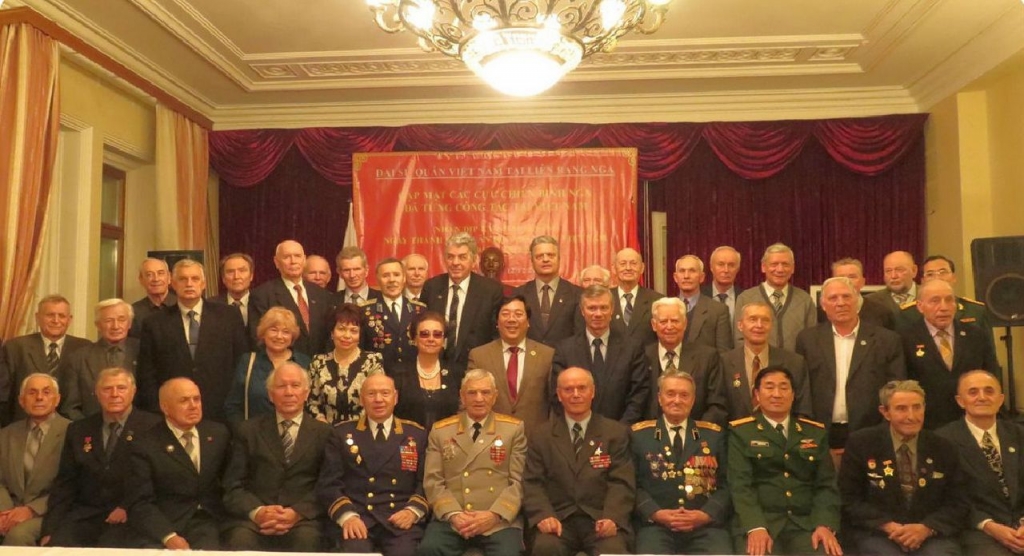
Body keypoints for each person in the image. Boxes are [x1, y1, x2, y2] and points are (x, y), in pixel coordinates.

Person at [839, 380, 968, 555]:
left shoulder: (943, 447)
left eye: (917, 407)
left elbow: (958, 501)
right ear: (885, 412)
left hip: (931, 534)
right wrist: (888, 526)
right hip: (877, 533)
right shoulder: (861, 443)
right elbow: (849, 499)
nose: (911, 416)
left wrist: (926, 528)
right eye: (901, 409)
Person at [728, 366, 842, 556]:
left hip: (806, 525)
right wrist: (755, 526)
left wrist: (824, 524)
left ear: (793, 394)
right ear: (757, 394)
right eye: (769, 387)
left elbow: (826, 485)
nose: (777, 394)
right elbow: (741, 486)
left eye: (783, 387)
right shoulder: (741, 432)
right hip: (762, 524)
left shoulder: (814, 432)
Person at [42, 367, 161, 547]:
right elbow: (65, 484)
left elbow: (160, 480)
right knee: (57, 547)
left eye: (121, 388)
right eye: (107, 389)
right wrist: (49, 530)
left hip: (131, 516)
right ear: (96, 393)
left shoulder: (153, 427)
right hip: (86, 515)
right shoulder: (79, 429)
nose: (114, 394)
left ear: (133, 391)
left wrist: (128, 506)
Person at [523, 367, 635, 555]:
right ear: (559, 395)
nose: (576, 394)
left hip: (600, 519)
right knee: (546, 548)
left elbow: (621, 482)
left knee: (613, 550)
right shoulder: (542, 435)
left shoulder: (614, 433)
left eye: (582, 388)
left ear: (593, 392)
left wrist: (612, 518)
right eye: (568, 389)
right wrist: (544, 515)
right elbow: (532, 483)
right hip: (558, 520)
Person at [222, 362, 331, 551]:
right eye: (281, 386)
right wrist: (258, 512)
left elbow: (326, 486)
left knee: (307, 539)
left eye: (295, 385)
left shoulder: (324, 433)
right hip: (255, 520)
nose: (289, 392)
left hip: (303, 520)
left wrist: (297, 513)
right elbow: (233, 486)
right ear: (271, 395)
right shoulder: (248, 431)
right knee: (240, 539)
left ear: (306, 393)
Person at [418, 369, 527, 556]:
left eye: (485, 392)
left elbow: (519, 481)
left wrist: (494, 515)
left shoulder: (513, 429)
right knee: (429, 549)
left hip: (498, 521)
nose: (479, 398)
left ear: (495, 396)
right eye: (472, 393)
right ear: (462, 396)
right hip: (453, 520)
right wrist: (454, 514)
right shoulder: (441, 431)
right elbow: (433, 481)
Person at [317, 373, 428, 555]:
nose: (378, 399)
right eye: (371, 394)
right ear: (361, 399)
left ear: (395, 397)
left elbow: (425, 482)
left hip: (399, 518)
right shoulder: (341, 433)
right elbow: (329, 483)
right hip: (358, 517)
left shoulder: (416, 434)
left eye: (385, 393)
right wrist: (347, 516)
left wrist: (412, 511)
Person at [797, 277, 906, 458]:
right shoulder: (807, 340)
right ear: (823, 305)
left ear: (857, 301)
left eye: (846, 296)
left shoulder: (886, 340)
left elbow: (895, 388)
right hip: (819, 431)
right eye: (833, 298)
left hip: (870, 431)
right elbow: (801, 387)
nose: (841, 303)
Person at [631, 370, 732, 554]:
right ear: (659, 398)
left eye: (684, 395)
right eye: (670, 394)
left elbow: (726, 484)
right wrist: (655, 513)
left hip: (706, 528)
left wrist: (706, 515)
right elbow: (631, 484)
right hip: (655, 527)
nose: (677, 400)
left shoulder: (713, 436)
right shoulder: (639, 436)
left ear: (693, 400)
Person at [125, 377, 230, 550]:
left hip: (209, 521)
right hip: (165, 523)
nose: (193, 406)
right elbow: (140, 502)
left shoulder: (218, 434)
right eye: (184, 400)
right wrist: (168, 536)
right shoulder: (145, 444)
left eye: (196, 399)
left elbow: (230, 483)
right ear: (165, 407)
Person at [137, 259, 249, 420]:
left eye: (195, 279)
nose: (189, 284)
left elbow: (241, 363)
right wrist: (158, 409)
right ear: (173, 284)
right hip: (173, 412)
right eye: (183, 279)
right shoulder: (154, 323)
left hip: (221, 411)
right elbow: (146, 373)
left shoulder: (229, 316)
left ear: (203, 284)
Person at [937, 370, 1024, 555]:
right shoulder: (943, 441)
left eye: (989, 391)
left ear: (1000, 399)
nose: (982, 397)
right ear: (960, 401)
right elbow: (948, 498)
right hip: (978, 530)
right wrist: (989, 526)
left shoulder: (1019, 434)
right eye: (973, 392)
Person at [899, 279, 1000, 429]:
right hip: (928, 424)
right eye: (935, 301)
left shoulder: (976, 336)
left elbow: (992, 374)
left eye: (949, 300)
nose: (943, 307)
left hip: (972, 422)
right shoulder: (905, 339)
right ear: (920, 306)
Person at [552, 284, 650, 424]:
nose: (598, 314)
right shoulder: (565, 350)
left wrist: (620, 429)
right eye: (592, 308)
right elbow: (558, 395)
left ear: (612, 310)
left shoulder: (632, 347)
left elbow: (639, 393)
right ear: (582, 311)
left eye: (603, 308)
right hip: (578, 430)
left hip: (621, 430)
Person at [467, 295, 555, 434]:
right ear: (497, 322)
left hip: (535, 438)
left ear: (528, 322)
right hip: (490, 437)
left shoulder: (547, 355)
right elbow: (468, 400)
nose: (512, 319)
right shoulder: (479, 356)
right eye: (505, 314)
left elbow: (555, 403)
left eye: (518, 314)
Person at [0, 373, 70, 546]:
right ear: (21, 400)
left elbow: (72, 485)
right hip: (9, 509)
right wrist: (6, 513)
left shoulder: (73, 432)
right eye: (32, 392)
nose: (39, 397)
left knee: (17, 536)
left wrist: (31, 510)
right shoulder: (7, 434)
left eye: (46, 392)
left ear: (57, 399)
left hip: (51, 512)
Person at [0, 295, 90, 424]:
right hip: (24, 426)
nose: (56, 320)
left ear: (69, 320)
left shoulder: (84, 348)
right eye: (50, 315)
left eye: (62, 316)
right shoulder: (15, 347)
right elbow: (4, 395)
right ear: (37, 318)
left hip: (71, 426)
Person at [421, 232, 503, 365]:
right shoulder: (432, 287)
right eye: (450, 257)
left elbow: (496, 334)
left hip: (476, 365)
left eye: (462, 257)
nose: (455, 262)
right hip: (435, 364)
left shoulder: (490, 290)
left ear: (474, 260)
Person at [644, 297, 728, 426]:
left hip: (697, 433)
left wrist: (694, 433)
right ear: (654, 325)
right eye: (663, 321)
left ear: (685, 323)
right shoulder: (642, 356)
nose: (669, 326)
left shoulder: (708, 357)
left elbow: (717, 404)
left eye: (675, 321)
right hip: (650, 434)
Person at [722, 302, 811, 421]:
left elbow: (803, 410)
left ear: (771, 326)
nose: (759, 325)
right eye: (753, 319)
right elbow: (720, 407)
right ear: (740, 325)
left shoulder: (794, 362)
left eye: (765, 320)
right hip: (734, 431)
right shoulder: (724, 362)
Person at [224, 307, 311, 423]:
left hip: (296, 432)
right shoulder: (248, 362)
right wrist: (243, 430)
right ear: (263, 333)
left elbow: (312, 404)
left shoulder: (304, 362)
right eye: (273, 330)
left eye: (286, 332)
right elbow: (232, 406)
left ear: (292, 336)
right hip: (254, 432)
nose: (279, 336)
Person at [249, 239, 334, 357]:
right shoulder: (262, 295)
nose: (293, 261)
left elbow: (330, 334)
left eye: (297, 256)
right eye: (287, 257)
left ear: (304, 260)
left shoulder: (322, 295)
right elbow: (259, 337)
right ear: (276, 262)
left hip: (320, 364)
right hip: (283, 363)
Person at [59, 298, 139, 420]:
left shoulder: (144, 351)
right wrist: (90, 427)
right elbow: (70, 407)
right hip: (91, 427)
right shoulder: (79, 358)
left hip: (139, 427)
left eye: (121, 320)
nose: (115, 326)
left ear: (129, 324)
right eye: (108, 321)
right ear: (98, 325)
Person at [307, 304, 384, 426]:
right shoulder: (318, 362)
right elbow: (311, 403)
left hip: (363, 430)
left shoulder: (372, 361)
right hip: (326, 430)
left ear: (359, 335)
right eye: (341, 329)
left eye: (354, 331)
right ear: (332, 332)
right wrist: (322, 424)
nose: (347, 336)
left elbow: (377, 402)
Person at [905, 255, 996, 355]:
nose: (937, 277)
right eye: (930, 274)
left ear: (953, 277)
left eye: (943, 272)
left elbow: (989, 354)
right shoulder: (908, 313)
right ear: (922, 281)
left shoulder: (976, 310)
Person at [734, 243, 817, 352]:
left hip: (795, 362)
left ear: (793, 268)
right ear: (763, 267)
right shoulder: (746, 298)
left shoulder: (805, 300)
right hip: (758, 362)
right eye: (774, 264)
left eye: (785, 264)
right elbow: (739, 338)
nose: (780, 269)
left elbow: (811, 340)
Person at [392, 312, 462, 431]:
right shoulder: (398, 372)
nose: (431, 339)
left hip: (447, 439)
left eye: (437, 334)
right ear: (414, 338)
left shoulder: (456, 373)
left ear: (443, 340)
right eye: (424, 334)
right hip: (407, 439)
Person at [513, 235, 582, 347]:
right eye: (539, 256)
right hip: (529, 356)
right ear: (532, 261)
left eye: (550, 255)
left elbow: (580, 335)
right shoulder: (518, 294)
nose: (545, 260)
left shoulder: (577, 294)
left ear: (559, 259)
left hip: (565, 357)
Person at [360, 257, 426, 369]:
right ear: (378, 280)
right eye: (385, 276)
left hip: (412, 374)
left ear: (404, 278)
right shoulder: (365, 311)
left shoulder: (420, 310)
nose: (391, 280)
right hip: (378, 374)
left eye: (396, 275)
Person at [674, 254, 733, 351]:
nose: (686, 276)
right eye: (682, 271)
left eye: (692, 271)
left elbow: (724, 353)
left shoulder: (718, 310)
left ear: (702, 277)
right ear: (675, 277)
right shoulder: (665, 308)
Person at [818, 258, 895, 330]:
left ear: (862, 282)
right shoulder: (821, 313)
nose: (847, 281)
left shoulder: (882, 312)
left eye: (852, 277)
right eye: (841, 278)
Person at [610, 247, 662, 346]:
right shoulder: (604, 299)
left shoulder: (657, 300)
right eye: (623, 264)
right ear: (614, 269)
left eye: (633, 263)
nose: (628, 268)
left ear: (642, 268)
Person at [129, 258, 177, 339]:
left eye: (160, 273)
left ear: (169, 277)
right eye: (149, 275)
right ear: (141, 280)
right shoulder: (134, 312)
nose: (156, 279)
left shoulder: (181, 305)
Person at [866, 250, 919, 318]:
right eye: (888, 271)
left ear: (914, 270)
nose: (893, 276)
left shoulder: (928, 297)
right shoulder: (871, 302)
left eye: (899, 270)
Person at [701, 246, 744, 323]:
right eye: (721, 264)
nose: (726, 270)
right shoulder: (699, 296)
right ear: (711, 267)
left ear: (737, 269)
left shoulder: (745, 297)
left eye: (731, 265)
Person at [220, 253, 254, 328]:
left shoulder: (262, 304)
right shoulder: (211, 306)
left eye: (242, 271)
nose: (236, 276)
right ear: (223, 278)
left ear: (251, 276)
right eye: (230, 272)